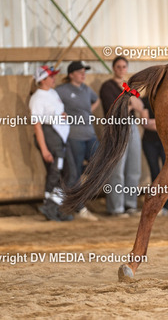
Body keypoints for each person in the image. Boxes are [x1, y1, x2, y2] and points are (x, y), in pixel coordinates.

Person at [100, 56, 146, 217]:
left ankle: (130, 204)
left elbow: (140, 107)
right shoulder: (107, 86)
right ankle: (116, 207)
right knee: (117, 169)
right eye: (118, 66)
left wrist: (130, 102)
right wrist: (130, 104)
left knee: (134, 168)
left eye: (124, 67)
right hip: (116, 127)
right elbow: (113, 110)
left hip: (131, 126)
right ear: (114, 68)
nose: (121, 69)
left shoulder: (128, 87)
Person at [29, 65, 75, 221]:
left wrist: (63, 115)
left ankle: (54, 207)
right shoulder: (37, 98)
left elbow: (56, 112)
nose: (54, 78)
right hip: (51, 136)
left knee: (66, 173)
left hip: (60, 135)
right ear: (42, 80)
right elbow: (37, 125)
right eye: (51, 76)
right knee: (59, 173)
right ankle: (51, 206)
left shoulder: (53, 93)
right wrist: (44, 149)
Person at [55, 61, 99, 221]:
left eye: (84, 71)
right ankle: (79, 207)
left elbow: (96, 99)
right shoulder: (62, 90)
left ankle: (72, 190)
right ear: (71, 74)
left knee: (100, 162)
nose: (83, 74)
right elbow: (51, 101)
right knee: (75, 173)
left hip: (90, 134)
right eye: (80, 72)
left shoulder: (86, 89)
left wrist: (87, 113)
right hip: (74, 136)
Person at [141, 95, 168, 217]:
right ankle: (157, 206)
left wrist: (154, 122)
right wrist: (162, 123)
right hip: (149, 142)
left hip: (166, 142)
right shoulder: (145, 100)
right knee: (155, 174)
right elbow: (145, 122)